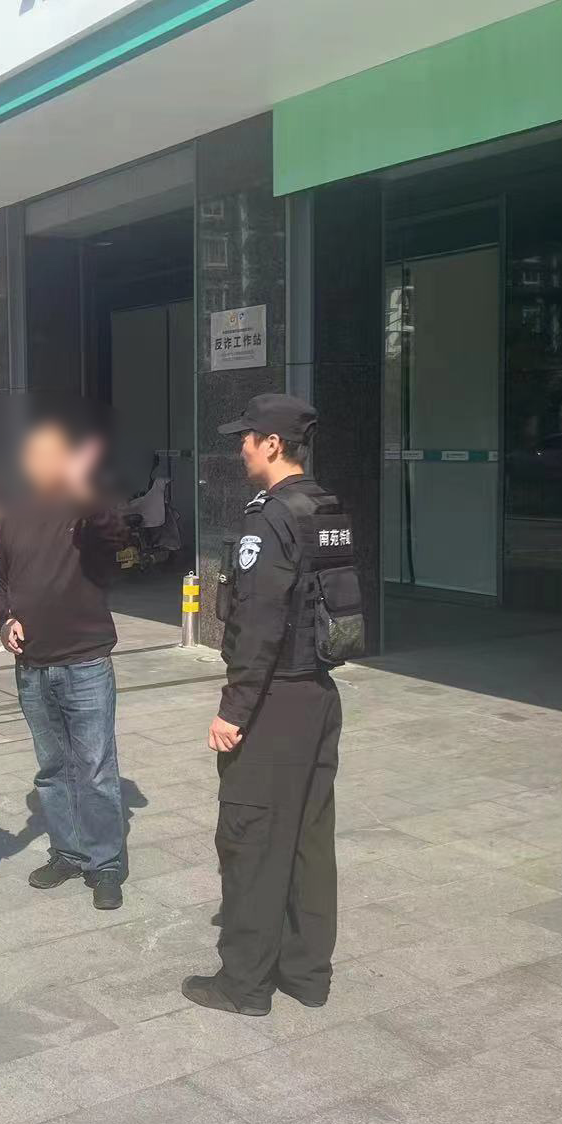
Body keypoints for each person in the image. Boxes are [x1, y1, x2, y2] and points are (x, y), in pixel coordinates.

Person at [183, 394, 348, 1017]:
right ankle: (307, 974)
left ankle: (244, 984)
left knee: (250, 839)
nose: (240, 449)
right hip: (318, 697)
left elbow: (259, 625)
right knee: (309, 837)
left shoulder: (269, 519)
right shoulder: (324, 507)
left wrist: (233, 710)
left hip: (274, 703)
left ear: (273, 444)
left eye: (246, 438)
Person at [0, 419, 130, 910]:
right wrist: (4, 620)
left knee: (96, 769)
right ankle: (68, 852)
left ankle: (105, 864)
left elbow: (117, 537)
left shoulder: (86, 508)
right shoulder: (9, 512)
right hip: (32, 665)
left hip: (85, 662)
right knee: (52, 769)